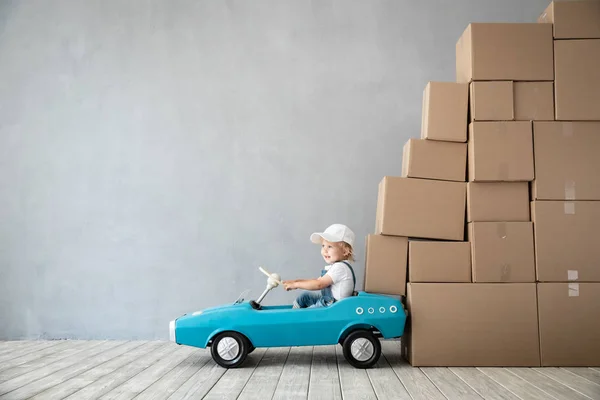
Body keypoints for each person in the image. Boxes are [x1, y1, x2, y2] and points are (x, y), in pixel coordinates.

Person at [283, 223, 356, 308]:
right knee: (305, 297)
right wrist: (296, 282)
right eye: (323, 246)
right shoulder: (337, 266)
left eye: (329, 246)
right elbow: (317, 281)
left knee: (308, 313)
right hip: (329, 302)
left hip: (335, 307)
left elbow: (319, 284)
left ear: (345, 251)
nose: (325, 250)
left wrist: (296, 285)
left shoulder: (340, 268)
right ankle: (293, 314)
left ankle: (297, 318)